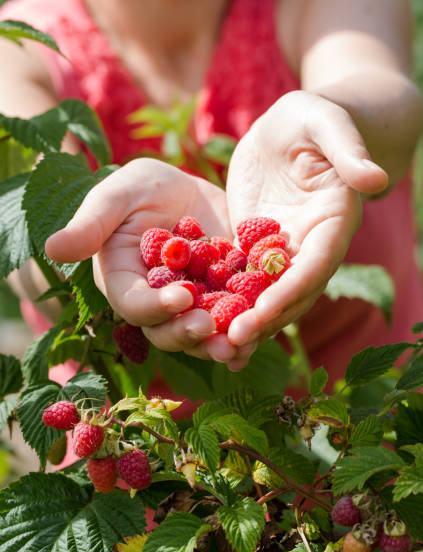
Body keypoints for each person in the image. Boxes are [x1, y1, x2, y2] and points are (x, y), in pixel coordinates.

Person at [1, 0, 422, 384]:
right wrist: (93, 235)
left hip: (377, 405)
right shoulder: (16, 49)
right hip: (148, 448)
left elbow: (387, 96)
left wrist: (332, 116)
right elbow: (32, 254)